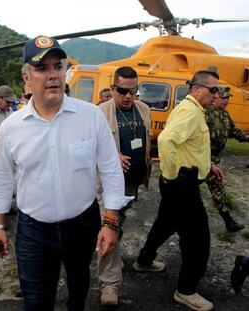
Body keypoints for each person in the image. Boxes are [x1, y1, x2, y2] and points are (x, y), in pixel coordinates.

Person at [0, 35, 130, 311]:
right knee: (36, 301)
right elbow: (3, 179)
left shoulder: (90, 116)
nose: (52, 75)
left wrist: (111, 221)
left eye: (58, 66)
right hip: (33, 230)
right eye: (42, 69)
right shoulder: (11, 127)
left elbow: (112, 170)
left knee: (78, 289)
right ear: (26, 77)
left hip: (82, 223)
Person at [134, 71, 223, 311]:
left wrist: (209, 165)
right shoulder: (189, 112)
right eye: (213, 90)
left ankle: (143, 261)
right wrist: (172, 176)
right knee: (198, 241)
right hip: (183, 185)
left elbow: (190, 145)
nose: (216, 95)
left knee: (165, 223)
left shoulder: (194, 110)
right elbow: (165, 141)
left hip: (180, 181)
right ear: (197, 89)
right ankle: (186, 291)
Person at [97, 66, 157, 306]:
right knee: (108, 226)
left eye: (133, 91)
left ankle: (112, 251)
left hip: (133, 182)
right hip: (109, 186)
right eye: (122, 91)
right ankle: (109, 284)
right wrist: (112, 156)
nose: (128, 96)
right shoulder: (99, 114)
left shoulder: (143, 110)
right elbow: (84, 149)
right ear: (113, 89)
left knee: (118, 223)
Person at [205, 86, 248, 232]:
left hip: (214, 160)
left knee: (218, 189)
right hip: (201, 158)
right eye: (224, 98)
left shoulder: (225, 115)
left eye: (228, 98)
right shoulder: (205, 113)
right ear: (216, 97)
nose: (226, 101)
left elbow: (235, 133)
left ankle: (228, 221)